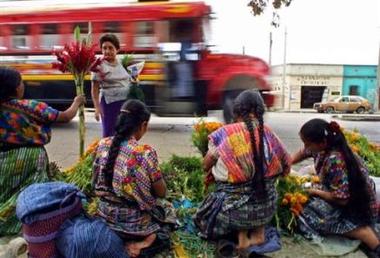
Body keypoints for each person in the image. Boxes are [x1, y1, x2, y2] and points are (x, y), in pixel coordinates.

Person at [194, 89, 291, 251]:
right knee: (257, 193)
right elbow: (287, 164)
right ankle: (257, 234)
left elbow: (204, 166)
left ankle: (241, 236)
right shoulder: (269, 133)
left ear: (237, 110)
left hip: (233, 215)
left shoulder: (225, 134)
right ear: (260, 111)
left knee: (202, 215)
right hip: (267, 211)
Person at [0, 66, 85, 235]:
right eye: (21, 82)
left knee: (6, 190)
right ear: (17, 87)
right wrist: (77, 102)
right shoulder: (31, 106)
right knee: (31, 193)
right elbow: (65, 116)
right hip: (31, 160)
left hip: (3, 160)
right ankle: (25, 220)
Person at [92, 99, 176, 257]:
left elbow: (94, 181)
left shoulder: (102, 144)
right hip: (134, 225)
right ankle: (144, 244)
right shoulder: (144, 152)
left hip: (104, 218)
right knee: (169, 212)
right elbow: (162, 193)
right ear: (143, 125)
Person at [292, 118, 380, 256]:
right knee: (308, 204)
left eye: (307, 143)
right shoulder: (323, 147)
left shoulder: (335, 159)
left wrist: (314, 191)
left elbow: (342, 199)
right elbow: (304, 152)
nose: (305, 146)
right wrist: (287, 164)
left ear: (322, 143)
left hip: (357, 207)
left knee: (308, 215)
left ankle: (365, 235)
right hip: (348, 198)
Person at [91, 33, 131, 137]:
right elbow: (94, 88)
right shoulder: (98, 65)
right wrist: (97, 108)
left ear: (117, 49)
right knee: (109, 134)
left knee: (124, 134)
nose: (107, 51)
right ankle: (108, 153)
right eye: (104, 48)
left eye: (110, 48)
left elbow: (127, 79)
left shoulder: (122, 62)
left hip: (125, 104)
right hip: (109, 105)